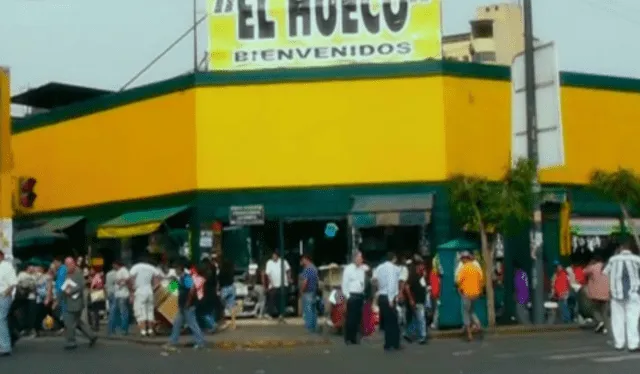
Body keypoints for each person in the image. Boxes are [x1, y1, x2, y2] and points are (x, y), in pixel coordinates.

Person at [603, 241, 640, 351]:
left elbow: (605, 273)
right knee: (632, 319)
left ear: (620, 248)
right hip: (633, 293)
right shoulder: (637, 259)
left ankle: (619, 343)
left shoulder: (612, 260)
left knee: (617, 320)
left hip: (616, 294)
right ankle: (633, 344)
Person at [163, 258, 206, 351]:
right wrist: (172, 281)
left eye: (176, 269)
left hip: (188, 305)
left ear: (180, 269)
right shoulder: (180, 278)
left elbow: (192, 289)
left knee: (192, 324)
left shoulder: (186, 277)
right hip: (182, 305)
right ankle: (172, 341)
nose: (175, 271)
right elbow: (171, 289)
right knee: (177, 323)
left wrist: (188, 302)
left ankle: (200, 342)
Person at [61, 257, 97, 349]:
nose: (67, 267)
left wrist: (70, 291)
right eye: (66, 265)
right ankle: (91, 336)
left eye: (68, 264)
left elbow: (81, 285)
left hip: (76, 301)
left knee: (70, 322)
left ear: (73, 264)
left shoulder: (78, 272)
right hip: (69, 301)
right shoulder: (66, 273)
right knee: (78, 322)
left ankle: (71, 342)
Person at [373, 252, 401, 352]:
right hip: (389, 297)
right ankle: (394, 344)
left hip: (381, 295)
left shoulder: (379, 267)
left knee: (386, 322)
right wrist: (391, 299)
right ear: (393, 259)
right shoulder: (392, 268)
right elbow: (392, 283)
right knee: (393, 322)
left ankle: (387, 344)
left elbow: (374, 279)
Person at [129, 256, 161, 336]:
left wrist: (132, 291)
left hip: (139, 291)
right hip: (149, 291)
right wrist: (153, 288)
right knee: (150, 312)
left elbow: (131, 279)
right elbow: (157, 280)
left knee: (140, 312)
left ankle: (143, 331)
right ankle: (150, 330)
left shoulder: (136, 267)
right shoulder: (152, 268)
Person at [455, 251, 483, 341]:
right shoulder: (475, 267)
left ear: (465, 258)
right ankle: (478, 325)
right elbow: (481, 279)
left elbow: (458, 281)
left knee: (465, 313)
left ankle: (469, 334)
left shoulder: (464, 268)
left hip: (466, 294)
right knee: (472, 311)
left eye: (462, 258)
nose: (462, 260)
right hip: (476, 294)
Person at [341, 251, 366, 345]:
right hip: (352, 295)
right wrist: (347, 296)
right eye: (360, 258)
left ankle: (355, 338)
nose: (361, 260)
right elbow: (345, 284)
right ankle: (348, 338)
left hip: (360, 295)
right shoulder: (348, 269)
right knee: (350, 318)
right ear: (355, 258)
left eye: (361, 258)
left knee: (357, 318)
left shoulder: (362, 269)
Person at [403, 256, 428, 344]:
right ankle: (423, 336)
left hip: (421, 300)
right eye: (422, 266)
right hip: (416, 300)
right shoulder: (413, 275)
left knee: (416, 319)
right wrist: (411, 299)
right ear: (418, 266)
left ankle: (408, 333)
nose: (423, 267)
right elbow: (407, 287)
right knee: (421, 318)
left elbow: (424, 286)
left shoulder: (422, 276)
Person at [584, 254, 609, 335]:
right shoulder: (607, 267)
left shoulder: (593, 267)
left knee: (593, 308)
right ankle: (606, 328)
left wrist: (590, 264)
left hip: (596, 293)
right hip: (606, 292)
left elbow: (584, 272)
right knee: (604, 311)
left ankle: (599, 321)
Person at [264, 250, 291, 318]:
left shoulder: (283, 261)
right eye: (273, 256)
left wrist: (289, 278)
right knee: (272, 299)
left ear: (277, 256)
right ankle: (269, 313)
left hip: (283, 283)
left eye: (275, 256)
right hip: (273, 285)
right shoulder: (269, 263)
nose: (274, 257)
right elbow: (268, 274)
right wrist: (270, 283)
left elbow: (288, 270)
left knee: (281, 299)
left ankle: (281, 314)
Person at [0, 249, 17, 356]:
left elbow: (13, 283)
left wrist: (4, 294)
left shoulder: (7, 267)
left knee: (1, 319)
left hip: (3, 296)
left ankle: (6, 346)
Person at [300, 254, 319, 334]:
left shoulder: (307, 269)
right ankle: (314, 326)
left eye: (302, 260)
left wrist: (302, 290)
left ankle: (309, 327)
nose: (301, 262)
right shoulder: (314, 268)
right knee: (313, 310)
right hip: (314, 291)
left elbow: (305, 281)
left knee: (308, 310)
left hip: (307, 292)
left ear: (306, 259)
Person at [217, 255, 236, 330]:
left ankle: (223, 322)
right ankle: (233, 323)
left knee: (221, 306)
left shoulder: (222, 271)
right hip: (232, 287)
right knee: (232, 306)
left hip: (224, 288)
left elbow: (218, 280)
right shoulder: (231, 271)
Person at [112, 259, 130, 335]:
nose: (113, 266)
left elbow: (128, 278)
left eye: (114, 264)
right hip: (118, 294)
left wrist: (121, 282)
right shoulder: (118, 271)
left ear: (117, 264)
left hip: (123, 294)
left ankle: (124, 329)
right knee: (117, 312)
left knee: (123, 312)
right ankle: (118, 328)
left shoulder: (124, 270)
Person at [513, 260, 531, 325]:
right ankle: (525, 324)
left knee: (520, 311)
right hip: (526, 296)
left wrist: (516, 295)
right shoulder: (524, 274)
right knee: (524, 311)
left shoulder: (517, 275)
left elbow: (518, 287)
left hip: (521, 297)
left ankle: (527, 325)